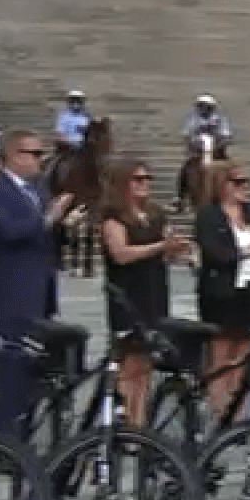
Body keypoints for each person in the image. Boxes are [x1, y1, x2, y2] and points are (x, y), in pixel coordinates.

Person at [0, 129, 74, 434]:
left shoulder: (40, 190)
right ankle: (5, 442)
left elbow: (45, 239)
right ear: (14, 156)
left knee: (34, 370)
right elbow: (6, 231)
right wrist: (46, 219)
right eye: (34, 154)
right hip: (6, 295)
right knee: (8, 372)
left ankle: (26, 434)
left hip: (39, 293)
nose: (40, 160)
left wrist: (64, 227)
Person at [99, 158, 187, 427]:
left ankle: (139, 419)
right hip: (128, 294)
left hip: (154, 292)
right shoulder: (113, 217)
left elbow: (165, 250)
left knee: (146, 360)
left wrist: (175, 250)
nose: (144, 185)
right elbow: (121, 253)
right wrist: (160, 246)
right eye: (138, 179)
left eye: (147, 179)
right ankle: (127, 420)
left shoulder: (156, 214)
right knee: (130, 360)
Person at [194, 160, 250, 415]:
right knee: (221, 351)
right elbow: (217, 254)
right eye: (237, 182)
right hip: (221, 291)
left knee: (244, 351)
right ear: (220, 185)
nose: (243, 188)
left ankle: (239, 409)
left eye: (245, 182)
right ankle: (220, 409)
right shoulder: (209, 215)